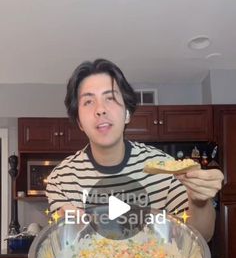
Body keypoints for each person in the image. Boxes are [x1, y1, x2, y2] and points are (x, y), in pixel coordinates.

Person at [46, 58, 224, 241]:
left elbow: (202, 235)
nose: (100, 110)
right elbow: (65, 248)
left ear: (127, 114)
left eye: (110, 98)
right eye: (88, 102)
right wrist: (66, 228)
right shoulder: (60, 179)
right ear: (79, 122)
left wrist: (199, 201)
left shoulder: (166, 169)